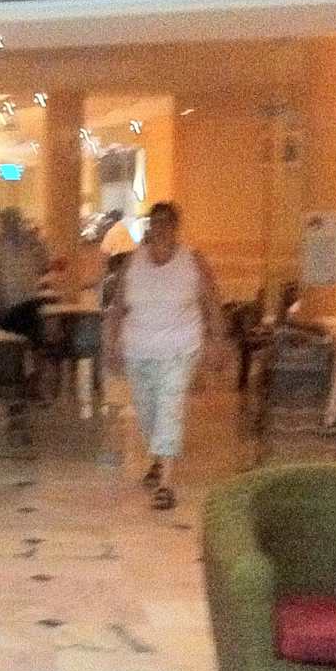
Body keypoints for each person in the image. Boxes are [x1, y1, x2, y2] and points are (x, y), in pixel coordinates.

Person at [103, 200, 226, 511]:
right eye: (155, 222)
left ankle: (166, 484)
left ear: (175, 226)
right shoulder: (133, 263)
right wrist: (111, 345)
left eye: (166, 222)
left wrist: (217, 342)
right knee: (147, 412)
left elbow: (212, 303)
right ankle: (158, 460)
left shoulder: (192, 261)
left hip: (179, 348)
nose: (160, 228)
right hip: (139, 349)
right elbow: (117, 306)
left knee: (169, 408)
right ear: (149, 226)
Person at [0, 208, 49, 346]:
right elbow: (44, 264)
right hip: (30, 301)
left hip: (8, 305)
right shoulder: (31, 241)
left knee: (8, 343)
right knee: (31, 342)